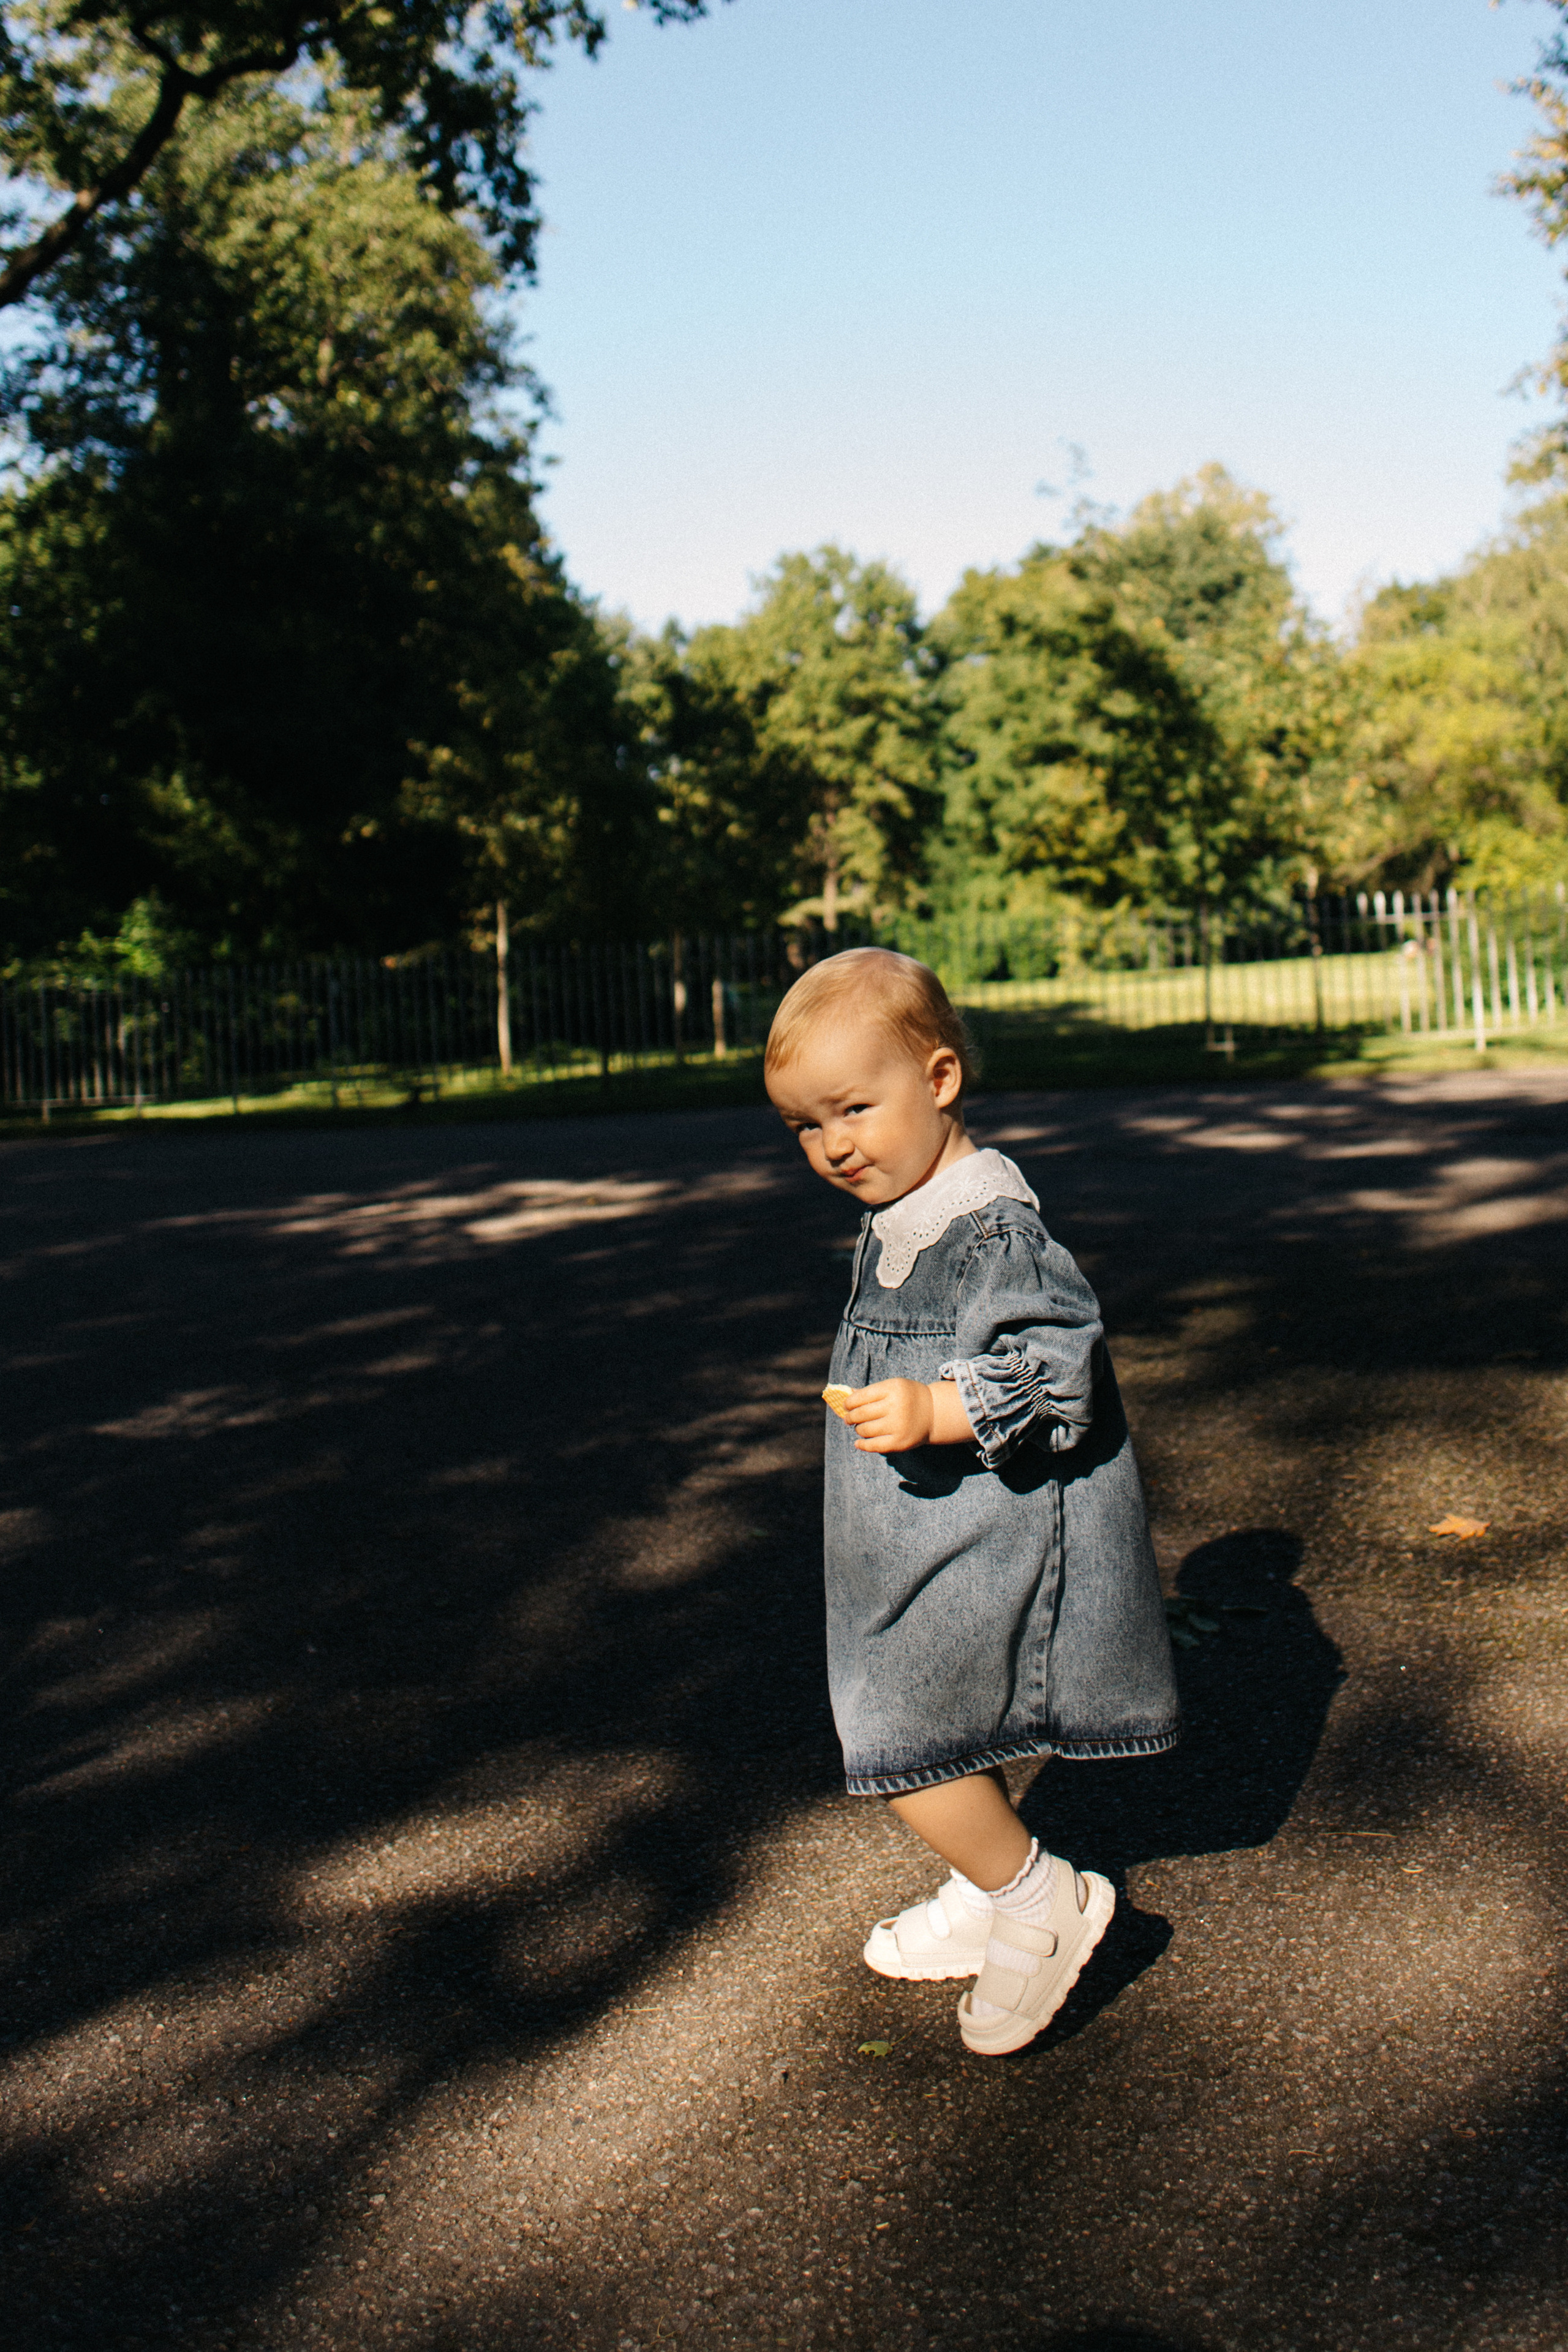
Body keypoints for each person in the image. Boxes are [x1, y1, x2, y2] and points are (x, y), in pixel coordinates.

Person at [764, 947, 1178, 2055]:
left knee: (900, 1733)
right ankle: (987, 1888)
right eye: (806, 1126)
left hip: (985, 1535)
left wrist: (941, 1411)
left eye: (853, 1108)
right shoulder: (909, 1206)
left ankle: (1039, 1900)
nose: (833, 1145)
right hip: (918, 1539)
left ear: (940, 1079)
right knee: (942, 1716)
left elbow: (1061, 1369)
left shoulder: (994, 1229)